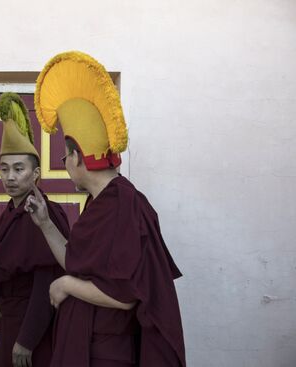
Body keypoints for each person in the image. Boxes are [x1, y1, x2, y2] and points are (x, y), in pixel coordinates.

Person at [24, 51, 186, 366]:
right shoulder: (101, 202)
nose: (65, 165)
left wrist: (66, 285)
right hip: (83, 341)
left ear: (78, 157)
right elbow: (77, 261)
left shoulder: (125, 204)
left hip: (105, 354)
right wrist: (45, 223)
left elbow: (125, 295)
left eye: (65, 157)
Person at [0, 93, 70, 367]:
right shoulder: (11, 211)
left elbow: (45, 280)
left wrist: (27, 339)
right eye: (4, 169)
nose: (10, 177)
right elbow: (12, 263)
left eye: (19, 169)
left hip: (32, 328)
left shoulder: (44, 213)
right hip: (11, 322)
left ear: (35, 174)